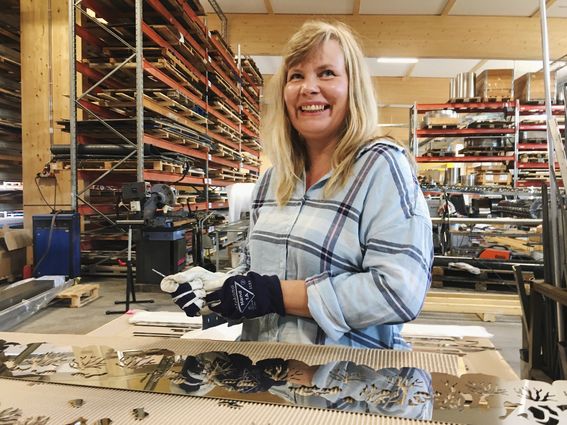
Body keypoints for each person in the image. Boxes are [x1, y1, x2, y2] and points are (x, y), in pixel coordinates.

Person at [161, 20, 433, 349]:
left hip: (346, 373)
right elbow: (255, 274)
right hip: (264, 367)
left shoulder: (380, 167)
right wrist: (216, 290)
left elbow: (399, 292)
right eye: (296, 76)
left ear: (353, 87)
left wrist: (275, 295)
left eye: (327, 73)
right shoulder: (272, 181)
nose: (308, 88)